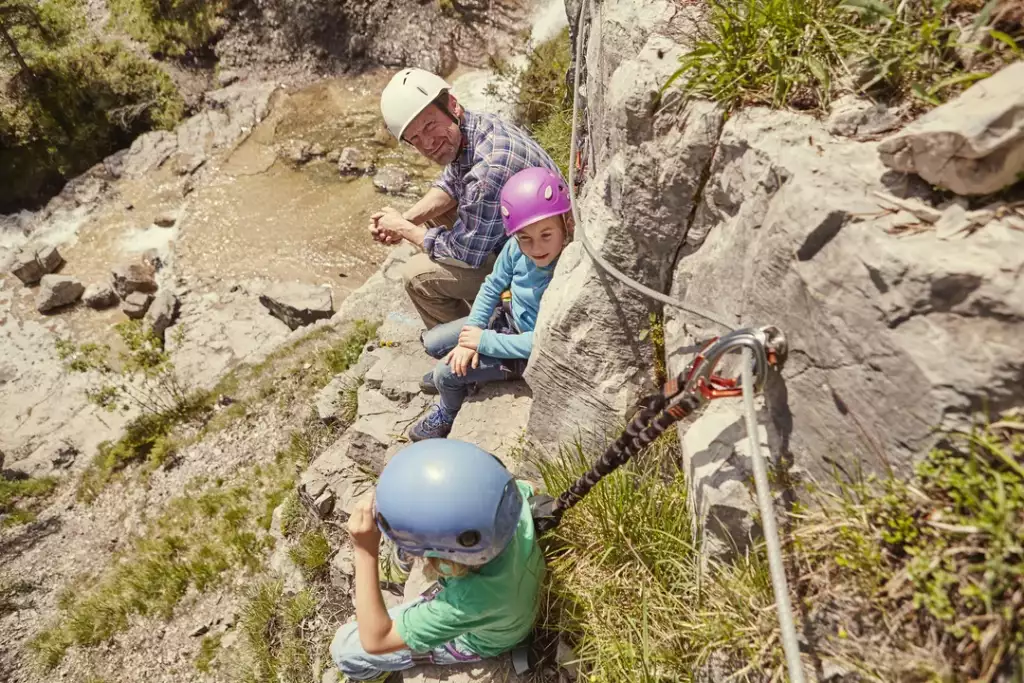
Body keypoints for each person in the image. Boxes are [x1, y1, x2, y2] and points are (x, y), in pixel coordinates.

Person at [329, 439, 545, 683]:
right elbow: (529, 487)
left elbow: (376, 640)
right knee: (413, 531)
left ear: (448, 561)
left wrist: (365, 551)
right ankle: (399, 567)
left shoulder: (467, 601)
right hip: (507, 601)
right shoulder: (510, 502)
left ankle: (377, 675)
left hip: (480, 638)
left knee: (345, 649)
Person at [370, 68, 561, 330]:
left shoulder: (487, 172)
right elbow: (451, 181)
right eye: (415, 139)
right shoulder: (477, 126)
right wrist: (406, 218)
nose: (427, 144)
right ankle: (482, 316)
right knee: (435, 212)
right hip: (531, 232)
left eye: (429, 125)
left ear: (452, 105)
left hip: (539, 260)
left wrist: (403, 229)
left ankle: (475, 349)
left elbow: (464, 253)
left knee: (416, 277)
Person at [409, 167, 572, 441]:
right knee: (433, 343)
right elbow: (493, 285)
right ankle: (457, 376)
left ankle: (448, 411)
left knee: (446, 374)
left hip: (525, 352)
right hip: (507, 321)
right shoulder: (514, 248)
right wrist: (470, 335)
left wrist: (483, 342)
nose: (536, 248)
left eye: (546, 235)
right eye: (526, 239)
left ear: (566, 224)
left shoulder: (566, 271)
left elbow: (543, 342)